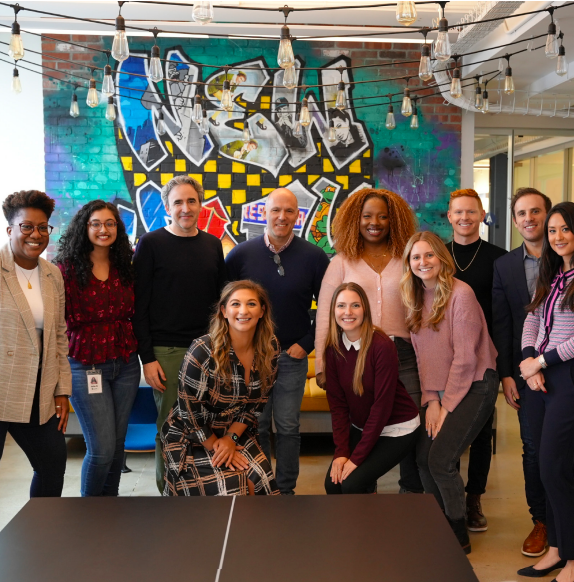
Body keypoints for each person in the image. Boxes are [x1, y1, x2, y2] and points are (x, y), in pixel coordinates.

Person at [492, 188, 574, 557]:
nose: (557, 237)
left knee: (563, 464)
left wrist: (539, 363)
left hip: (569, 375)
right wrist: (528, 362)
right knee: (544, 464)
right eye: (553, 231)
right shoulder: (553, 271)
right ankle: (558, 546)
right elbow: (531, 319)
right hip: (538, 377)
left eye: (564, 229)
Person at [315, 187, 423, 494]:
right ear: (355, 219)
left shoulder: (406, 258)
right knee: (364, 426)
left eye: (382, 216)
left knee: (409, 434)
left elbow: (423, 306)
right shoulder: (341, 261)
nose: (374, 222)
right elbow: (326, 312)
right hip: (357, 354)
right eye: (367, 216)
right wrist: (323, 363)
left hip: (404, 354)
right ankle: (364, 493)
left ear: (394, 220)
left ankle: (410, 498)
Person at [225, 188, 329, 495]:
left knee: (287, 427)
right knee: (254, 426)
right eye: (275, 210)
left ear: (298, 215)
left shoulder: (313, 256)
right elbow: (223, 305)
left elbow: (328, 308)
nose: (281, 217)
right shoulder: (241, 255)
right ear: (264, 213)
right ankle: (259, 486)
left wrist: (307, 343)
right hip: (249, 359)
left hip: (292, 357)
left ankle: (285, 491)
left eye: (289, 211)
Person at [401, 231, 498, 554]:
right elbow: (421, 357)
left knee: (441, 459)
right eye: (416, 257)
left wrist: (445, 405)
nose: (422, 262)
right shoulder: (414, 297)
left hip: (477, 384)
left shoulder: (461, 294)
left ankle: (457, 533)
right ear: (409, 263)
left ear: (442, 258)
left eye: (429, 255)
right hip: (442, 390)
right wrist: (430, 400)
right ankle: (439, 521)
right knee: (422, 457)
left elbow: (466, 357)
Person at [133, 175, 227, 494]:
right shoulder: (151, 244)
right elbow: (139, 306)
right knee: (172, 427)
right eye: (178, 202)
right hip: (167, 352)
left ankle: (200, 488)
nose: (185, 208)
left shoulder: (213, 245)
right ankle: (170, 492)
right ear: (167, 207)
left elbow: (220, 305)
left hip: (208, 352)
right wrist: (148, 358)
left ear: (200, 205)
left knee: (206, 425)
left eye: (191, 201)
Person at [54, 200, 140, 497]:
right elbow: (55, 325)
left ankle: (110, 506)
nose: (104, 230)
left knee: (116, 447)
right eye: (96, 224)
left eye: (110, 223)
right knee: (101, 449)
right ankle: (88, 515)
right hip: (85, 365)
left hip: (126, 364)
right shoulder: (64, 270)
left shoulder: (125, 264)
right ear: (84, 227)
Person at [162, 280, 279, 496]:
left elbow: (256, 406)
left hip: (234, 430)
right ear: (224, 311)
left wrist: (230, 439)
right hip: (192, 435)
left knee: (260, 481)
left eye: (251, 304)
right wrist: (218, 445)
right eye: (236, 304)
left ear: (262, 311)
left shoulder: (270, 347)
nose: (243, 311)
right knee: (232, 488)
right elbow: (189, 412)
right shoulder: (202, 350)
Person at [0, 190, 71, 497]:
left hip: (38, 392)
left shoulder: (52, 274)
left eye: (43, 227)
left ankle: (40, 535)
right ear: (10, 229)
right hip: (2, 385)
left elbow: (58, 336)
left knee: (53, 465)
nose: (36, 234)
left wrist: (62, 389)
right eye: (26, 226)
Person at [447, 188, 507, 532]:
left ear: (482, 214)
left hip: (485, 358)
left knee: (482, 432)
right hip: (446, 359)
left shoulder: (500, 259)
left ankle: (474, 498)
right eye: (458, 212)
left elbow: (504, 314)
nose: (465, 218)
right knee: (448, 432)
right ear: (450, 216)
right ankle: (450, 493)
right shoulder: (437, 255)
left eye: (471, 212)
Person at [323, 282, 420, 495]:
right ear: (333, 311)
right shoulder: (333, 349)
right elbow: (338, 407)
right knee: (333, 484)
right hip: (362, 427)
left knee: (351, 483)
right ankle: (350, 527)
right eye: (341, 306)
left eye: (355, 305)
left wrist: (356, 459)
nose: (347, 312)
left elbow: (381, 408)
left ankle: (366, 526)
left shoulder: (381, 345)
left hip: (398, 428)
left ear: (364, 309)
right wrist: (341, 453)